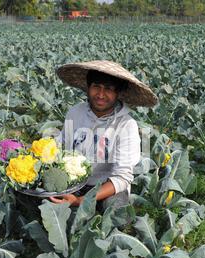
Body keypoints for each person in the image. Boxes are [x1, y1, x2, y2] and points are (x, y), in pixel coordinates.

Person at [49, 60, 158, 211]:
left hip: (106, 187)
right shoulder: (75, 112)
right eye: (96, 87)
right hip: (72, 183)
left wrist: (79, 201)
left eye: (108, 89)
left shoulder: (126, 125)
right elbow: (61, 145)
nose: (101, 94)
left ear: (118, 93)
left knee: (116, 212)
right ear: (88, 87)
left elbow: (122, 177)